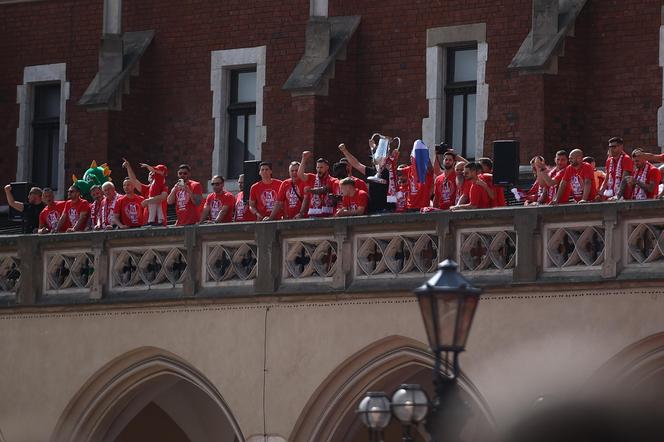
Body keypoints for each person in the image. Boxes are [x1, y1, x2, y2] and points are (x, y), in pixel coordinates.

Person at [338, 143, 393, 213]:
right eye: (373, 159)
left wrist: (378, 148)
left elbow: (391, 162)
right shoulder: (372, 171)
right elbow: (356, 164)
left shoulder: (389, 171)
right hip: (373, 209)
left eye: (377, 159)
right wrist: (344, 151)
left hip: (387, 209)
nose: (374, 161)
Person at [123, 158, 168, 226]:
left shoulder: (164, 186)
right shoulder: (146, 188)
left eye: (153, 173)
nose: (152, 175)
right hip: (146, 223)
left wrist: (148, 201)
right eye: (150, 174)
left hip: (160, 224)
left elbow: (162, 197)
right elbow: (134, 181)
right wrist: (128, 167)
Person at [297, 151, 339, 218]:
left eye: (321, 167)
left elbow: (325, 189)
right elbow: (300, 175)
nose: (319, 170)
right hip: (313, 214)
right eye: (318, 167)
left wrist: (310, 190)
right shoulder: (312, 177)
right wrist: (304, 159)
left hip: (328, 214)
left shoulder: (333, 180)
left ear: (327, 167)